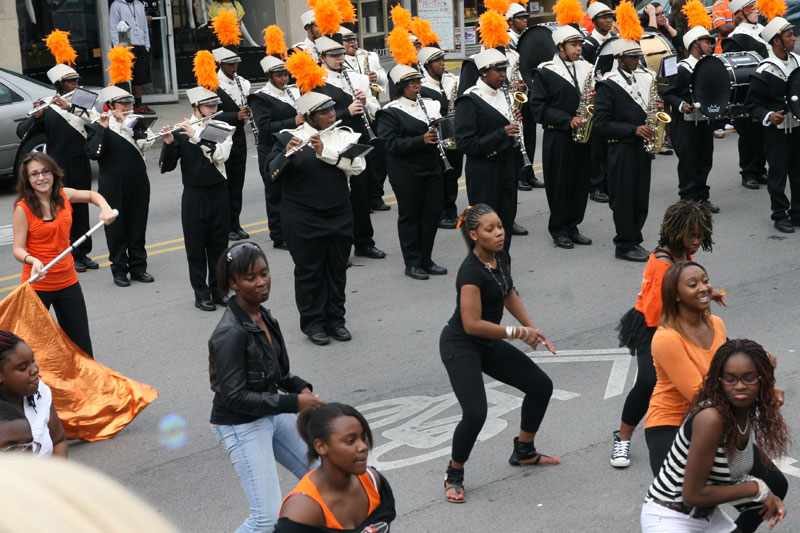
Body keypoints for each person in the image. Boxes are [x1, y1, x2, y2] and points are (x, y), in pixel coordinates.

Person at [439, 204, 558, 504]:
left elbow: (507, 293)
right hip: (461, 345)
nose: (499, 233)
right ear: (475, 235)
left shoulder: (500, 257)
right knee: (476, 412)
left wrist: (532, 328)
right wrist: (517, 333)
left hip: (487, 342)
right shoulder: (469, 272)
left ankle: (524, 451)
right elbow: (472, 324)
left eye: (500, 226)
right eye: (490, 230)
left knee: (541, 386)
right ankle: (454, 474)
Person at [209, 242, 323, 532]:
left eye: (264, 273)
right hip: (241, 424)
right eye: (250, 278)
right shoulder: (229, 334)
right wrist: (293, 404)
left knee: (325, 477)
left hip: (269, 411)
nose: (261, 282)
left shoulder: (263, 316)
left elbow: (277, 373)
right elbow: (235, 397)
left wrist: (301, 388)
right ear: (233, 283)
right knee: (266, 518)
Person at [612, 200, 721, 468]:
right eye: (691, 235)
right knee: (648, 382)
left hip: (675, 323)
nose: (696, 241)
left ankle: (686, 430)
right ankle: (622, 438)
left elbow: (690, 286)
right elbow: (659, 310)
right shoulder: (663, 263)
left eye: (700, 235)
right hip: (652, 326)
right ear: (675, 231)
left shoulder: (683, 253)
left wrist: (711, 292)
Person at [642, 339, 789, 532]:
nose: (739, 386)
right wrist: (756, 489)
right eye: (730, 379)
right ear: (718, 382)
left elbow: (727, 477)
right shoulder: (710, 419)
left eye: (749, 378)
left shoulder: (743, 413)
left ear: (763, 380)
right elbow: (692, 495)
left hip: (707, 517)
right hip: (669, 517)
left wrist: (767, 496)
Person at [268, 92, 365, 346]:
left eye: (333, 109)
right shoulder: (287, 137)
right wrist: (286, 154)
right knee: (309, 272)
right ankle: (313, 323)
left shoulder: (345, 135)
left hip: (339, 212)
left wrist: (325, 152)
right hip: (302, 217)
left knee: (337, 270)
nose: (332, 115)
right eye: (325, 112)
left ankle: (336, 321)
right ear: (310, 117)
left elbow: (357, 167)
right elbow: (272, 173)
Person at [12, 152, 117, 357]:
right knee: (36, 349)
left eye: (45, 172)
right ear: (27, 179)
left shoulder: (63, 195)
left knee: (81, 347)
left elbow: (91, 195)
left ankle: (85, 387)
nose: (41, 178)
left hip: (68, 280)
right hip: (37, 283)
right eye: (34, 174)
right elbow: (18, 249)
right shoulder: (22, 209)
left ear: (53, 173)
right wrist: (32, 260)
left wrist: (105, 208)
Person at [17, 63, 100, 273]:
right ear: (59, 84)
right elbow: (22, 132)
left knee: (81, 207)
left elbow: (96, 121)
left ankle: (83, 251)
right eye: (71, 81)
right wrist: (36, 117)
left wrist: (69, 107)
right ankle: (69, 253)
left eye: (76, 81)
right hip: (57, 165)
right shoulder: (46, 104)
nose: (75, 84)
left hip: (80, 160)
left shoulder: (82, 98)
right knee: (64, 208)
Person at [159, 86, 233, 311]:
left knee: (219, 247)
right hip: (193, 195)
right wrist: (169, 143)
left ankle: (219, 291)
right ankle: (201, 294)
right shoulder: (181, 131)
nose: (214, 108)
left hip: (218, 192)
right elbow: (166, 167)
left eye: (215, 105)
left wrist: (196, 136)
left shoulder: (220, 127)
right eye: (209, 105)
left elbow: (221, 155)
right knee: (196, 248)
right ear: (196, 108)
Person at [313, 36, 385, 260]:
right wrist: (346, 111)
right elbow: (315, 117)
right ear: (322, 58)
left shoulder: (358, 78)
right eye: (333, 56)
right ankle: (340, 247)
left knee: (361, 193)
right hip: (334, 141)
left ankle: (364, 242)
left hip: (359, 139)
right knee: (339, 196)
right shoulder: (316, 81)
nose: (339, 59)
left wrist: (365, 103)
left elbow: (375, 106)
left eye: (341, 55)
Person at [275, 404, 396, 532]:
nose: (363, 447)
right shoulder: (303, 511)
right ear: (320, 446)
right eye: (350, 441)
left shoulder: (373, 482)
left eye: (363, 437)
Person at [376, 65, 446, 280]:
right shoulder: (390, 112)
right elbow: (391, 144)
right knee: (410, 215)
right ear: (401, 87)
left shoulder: (429, 105)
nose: (417, 87)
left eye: (418, 83)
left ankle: (426, 258)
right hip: (406, 170)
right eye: (412, 84)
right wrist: (420, 140)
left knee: (431, 214)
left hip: (431, 166)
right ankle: (412, 262)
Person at [594, 37, 659, 262]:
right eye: (632, 57)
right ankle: (624, 243)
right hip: (620, 149)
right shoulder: (607, 84)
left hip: (642, 148)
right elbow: (601, 124)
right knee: (624, 198)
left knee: (641, 198)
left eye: (639, 56)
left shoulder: (646, 77)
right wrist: (633, 130)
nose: (637, 61)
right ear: (619, 59)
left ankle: (635, 239)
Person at [85, 85, 156, 287]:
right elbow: (93, 153)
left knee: (137, 224)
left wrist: (127, 122)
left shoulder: (136, 123)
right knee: (115, 228)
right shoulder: (96, 125)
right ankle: (118, 269)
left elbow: (148, 143)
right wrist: (103, 130)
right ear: (110, 105)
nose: (127, 106)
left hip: (138, 180)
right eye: (122, 103)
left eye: (129, 102)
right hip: (112, 183)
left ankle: (138, 267)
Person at [530, 26, 593, 250]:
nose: (579, 49)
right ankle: (558, 229)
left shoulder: (587, 68)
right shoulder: (546, 71)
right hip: (558, 135)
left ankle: (573, 226)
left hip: (583, 134)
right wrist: (566, 119)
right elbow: (537, 107)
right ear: (560, 47)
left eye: (580, 45)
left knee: (579, 183)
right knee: (560, 185)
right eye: (574, 45)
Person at [455, 49, 520, 251]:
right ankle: (484, 272)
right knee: (486, 226)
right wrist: (502, 133)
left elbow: (513, 135)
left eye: (504, 70)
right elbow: (466, 144)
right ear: (484, 72)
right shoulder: (469, 100)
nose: (503, 75)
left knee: (505, 224)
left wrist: (517, 126)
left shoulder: (505, 95)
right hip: (484, 171)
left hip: (507, 166)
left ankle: (503, 270)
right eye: (498, 70)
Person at [746, 16, 800, 234]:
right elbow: (752, 104)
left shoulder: (796, 61)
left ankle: (797, 213)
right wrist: (768, 115)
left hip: (797, 129)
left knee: (798, 173)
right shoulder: (765, 70)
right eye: (789, 35)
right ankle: (779, 215)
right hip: (777, 133)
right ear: (777, 41)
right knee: (777, 174)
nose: (794, 38)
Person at [662, 26, 720, 213]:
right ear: (695, 45)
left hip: (704, 121)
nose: (711, 45)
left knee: (705, 159)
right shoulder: (681, 69)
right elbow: (668, 94)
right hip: (685, 124)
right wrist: (681, 104)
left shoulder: (709, 65)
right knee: (688, 161)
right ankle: (687, 198)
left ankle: (702, 197)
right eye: (707, 42)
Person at [249, 56, 303, 251]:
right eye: (279, 76)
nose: (284, 79)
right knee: (275, 193)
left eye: (286, 74)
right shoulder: (260, 97)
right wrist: (292, 122)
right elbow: (263, 126)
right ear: (269, 76)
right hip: (271, 148)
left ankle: (292, 229)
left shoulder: (292, 91)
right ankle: (278, 236)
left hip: (293, 144)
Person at [340, 27, 391, 213]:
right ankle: (363, 199)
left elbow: (383, 79)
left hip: (371, 108)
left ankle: (376, 196)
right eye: (346, 40)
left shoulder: (369, 56)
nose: (351, 43)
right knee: (360, 160)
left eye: (353, 39)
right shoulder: (337, 61)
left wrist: (376, 76)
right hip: (353, 115)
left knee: (378, 158)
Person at [0, 330, 67, 457]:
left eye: (32, 360)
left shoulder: (39, 392)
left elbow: (58, 441)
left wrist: (58, 476)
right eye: (23, 368)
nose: (34, 369)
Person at [418, 46, 464, 230]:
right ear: (427, 65)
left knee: (453, 175)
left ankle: (450, 210)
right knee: (438, 177)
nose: (442, 64)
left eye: (443, 60)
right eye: (437, 61)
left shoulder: (453, 80)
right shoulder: (421, 85)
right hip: (435, 136)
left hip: (454, 134)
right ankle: (439, 213)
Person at [728, 0, 768, 191]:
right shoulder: (736, 37)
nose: (756, 11)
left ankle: (760, 169)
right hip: (749, 90)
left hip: (766, 87)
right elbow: (735, 68)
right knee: (749, 134)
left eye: (755, 8)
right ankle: (748, 172)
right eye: (750, 10)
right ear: (739, 14)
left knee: (764, 131)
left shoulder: (762, 28)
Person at [212, 47, 252, 242]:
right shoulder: (212, 83)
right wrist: (235, 116)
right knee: (225, 184)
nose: (234, 67)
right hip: (221, 135)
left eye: (236, 63)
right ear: (221, 64)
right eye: (230, 64)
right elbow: (211, 114)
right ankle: (225, 225)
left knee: (237, 183)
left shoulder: (243, 83)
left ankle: (235, 222)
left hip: (239, 137)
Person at [583, 2, 615, 204]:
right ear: (594, 21)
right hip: (595, 97)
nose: (609, 20)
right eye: (604, 17)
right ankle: (594, 185)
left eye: (610, 16)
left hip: (612, 96)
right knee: (596, 145)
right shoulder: (588, 45)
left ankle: (608, 183)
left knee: (610, 143)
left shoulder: (616, 40)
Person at [109, 0, 155, 115]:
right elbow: (113, 28)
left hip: (141, 46)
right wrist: (118, 48)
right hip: (125, 46)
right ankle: (123, 106)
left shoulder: (139, 4)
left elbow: (144, 26)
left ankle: (138, 105)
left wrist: (147, 46)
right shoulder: (116, 5)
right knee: (123, 78)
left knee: (139, 78)